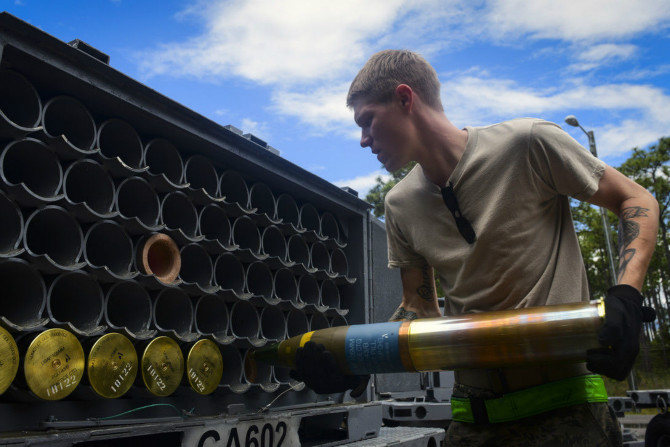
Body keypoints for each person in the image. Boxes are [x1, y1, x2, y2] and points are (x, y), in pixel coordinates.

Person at [291, 50, 658, 446]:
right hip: (474, 423)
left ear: (404, 99)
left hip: (569, 416)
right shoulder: (399, 203)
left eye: (367, 121)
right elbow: (419, 307)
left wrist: (626, 297)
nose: (363, 140)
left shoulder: (528, 143)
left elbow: (636, 200)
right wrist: (357, 361)